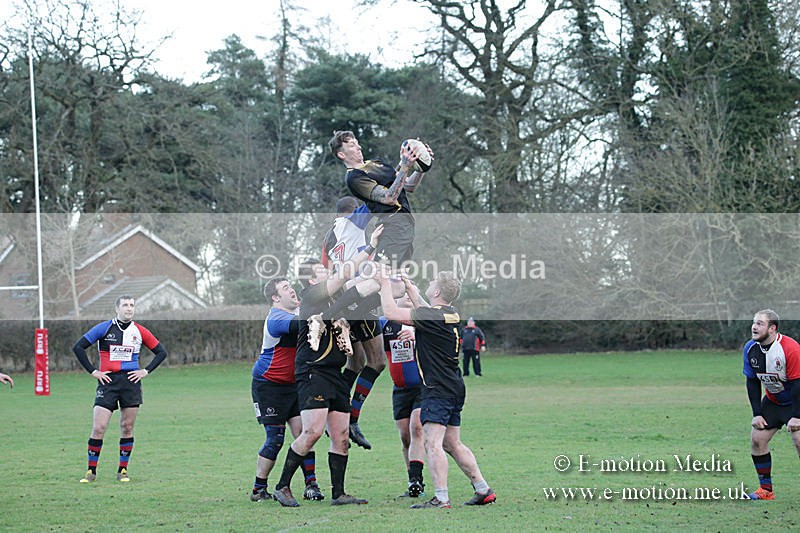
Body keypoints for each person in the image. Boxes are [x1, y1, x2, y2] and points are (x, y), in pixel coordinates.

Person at [271, 225, 382, 507]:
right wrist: (368, 248)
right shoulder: (312, 297)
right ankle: (282, 486)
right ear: (311, 281)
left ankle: (339, 493)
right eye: (323, 272)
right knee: (313, 433)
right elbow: (345, 275)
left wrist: (385, 276)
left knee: (341, 435)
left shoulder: (335, 301)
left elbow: (360, 290)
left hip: (334, 374)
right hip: (313, 372)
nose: (328, 271)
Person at [377, 269, 496, 509]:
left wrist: (383, 284)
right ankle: (483, 490)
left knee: (432, 443)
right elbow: (423, 308)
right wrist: (410, 288)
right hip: (454, 385)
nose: (428, 284)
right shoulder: (450, 314)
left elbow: (390, 312)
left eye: (431, 283)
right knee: (452, 444)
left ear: (438, 291)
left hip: (437, 389)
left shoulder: (430, 317)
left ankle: (441, 498)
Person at [72, 295, 167, 483]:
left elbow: (161, 352)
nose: (129, 308)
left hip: (130, 383)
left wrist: (145, 371)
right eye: (125, 305)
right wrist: (93, 371)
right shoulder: (104, 328)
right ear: (117, 309)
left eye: (132, 305)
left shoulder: (140, 331)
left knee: (127, 426)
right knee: (99, 427)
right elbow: (78, 347)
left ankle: (122, 470)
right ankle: (91, 471)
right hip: (108, 382)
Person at [318, 195, 386, 450]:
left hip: (340, 299)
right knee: (377, 362)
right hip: (359, 297)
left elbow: (326, 272)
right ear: (351, 212)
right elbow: (376, 202)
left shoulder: (328, 237)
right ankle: (351, 418)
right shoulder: (352, 224)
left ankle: (334, 412)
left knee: (355, 361)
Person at [250, 277, 323, 502]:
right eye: (285, 288)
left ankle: (311, 484)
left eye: (291, 286)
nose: (291, 290)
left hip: (293, 385)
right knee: (275, 439)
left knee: (306, 434)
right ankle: (258, 489)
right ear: (275, 298)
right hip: (268, 385)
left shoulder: (295, 314)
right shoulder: (276, 317)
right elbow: (299, 325)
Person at [329, 130, 431, 266]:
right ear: (342, 154)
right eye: (352, 145)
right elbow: (389, 197)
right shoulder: (354, 177)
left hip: (406, 224)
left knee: (398, 279)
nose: (359, 147)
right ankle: (343, 287)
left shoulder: (375, 163)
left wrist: (420, 166)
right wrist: (405, 165)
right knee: (379, 274)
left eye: (357, 143)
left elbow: (407, 186)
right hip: (392, 226)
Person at [743, 308, 800, 501]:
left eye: (760, 323)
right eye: (754, 322)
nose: (754, 326)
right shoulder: (750, 348)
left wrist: (797, 416)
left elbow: (798, 385)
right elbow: (752, 382)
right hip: (774, 402)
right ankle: (766, 491)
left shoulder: (790, 349)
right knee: (757, 439)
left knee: (799, 440)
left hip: (797, 401)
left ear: (773, 328)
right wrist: (757, 413)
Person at [380, 292, 426, 498]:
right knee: (405, 437)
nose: (407, 295)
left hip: (422, 387)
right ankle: (411, 480)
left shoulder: (423, 323)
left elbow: (444, 335)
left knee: (417, 427)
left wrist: (418, 335)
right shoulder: (385, 323)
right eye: (403, 292)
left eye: (411, 293)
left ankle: (418, 481)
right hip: (400, 389)